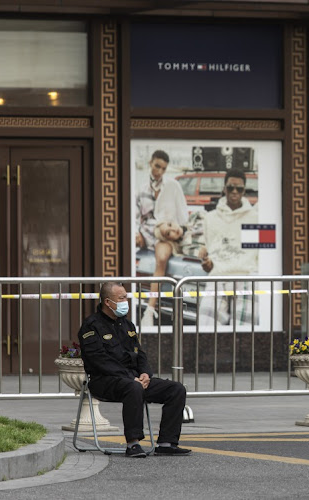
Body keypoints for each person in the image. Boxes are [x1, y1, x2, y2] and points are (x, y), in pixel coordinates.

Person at [77, 282, 191, 458]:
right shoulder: (91, 326)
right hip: (104, 381)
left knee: (176, 389)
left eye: (126, 297)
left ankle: (167, 443)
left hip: (133, 379)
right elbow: (99, 360)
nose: (125, 301)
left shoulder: (127, 325)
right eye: (121, 298)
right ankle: (133, 444)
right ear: (108, 302)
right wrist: (131, 378)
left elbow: (140, 354)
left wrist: (145, 374)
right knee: (133, 387)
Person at [193, 168, 259, 326]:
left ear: (244, 191)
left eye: (239, 188)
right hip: (218, 277)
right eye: (230, 187)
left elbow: (259, 254)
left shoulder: (255, 218)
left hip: (246, 277)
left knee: (245, 332)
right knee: (206, 328)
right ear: (224, 189)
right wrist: (207, 263)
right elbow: (207, 248)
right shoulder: (210, 218)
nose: (234, 191)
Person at [134, 150, 189, 327]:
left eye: (163, 168)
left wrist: (177, 229)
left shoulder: (172, 186)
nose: (159, 171)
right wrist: (137, 232)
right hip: (146, 232)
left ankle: (150, 310)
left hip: (164, 233)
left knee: (162, 259)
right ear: (150, 163)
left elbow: (182, 214)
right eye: (157, 166)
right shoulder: (141, 189)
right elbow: (136, 216)